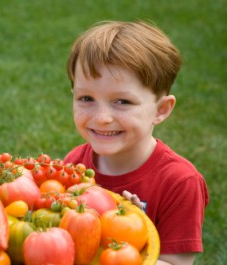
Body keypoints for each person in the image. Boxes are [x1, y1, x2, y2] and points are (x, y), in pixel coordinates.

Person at [63, 20, 209, 265]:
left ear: (161, 110)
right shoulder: (75, 163)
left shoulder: (180, 183)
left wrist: (133, 234)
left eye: (122, 102)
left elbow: (175, 262)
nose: (102, 118)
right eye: (86, 98)